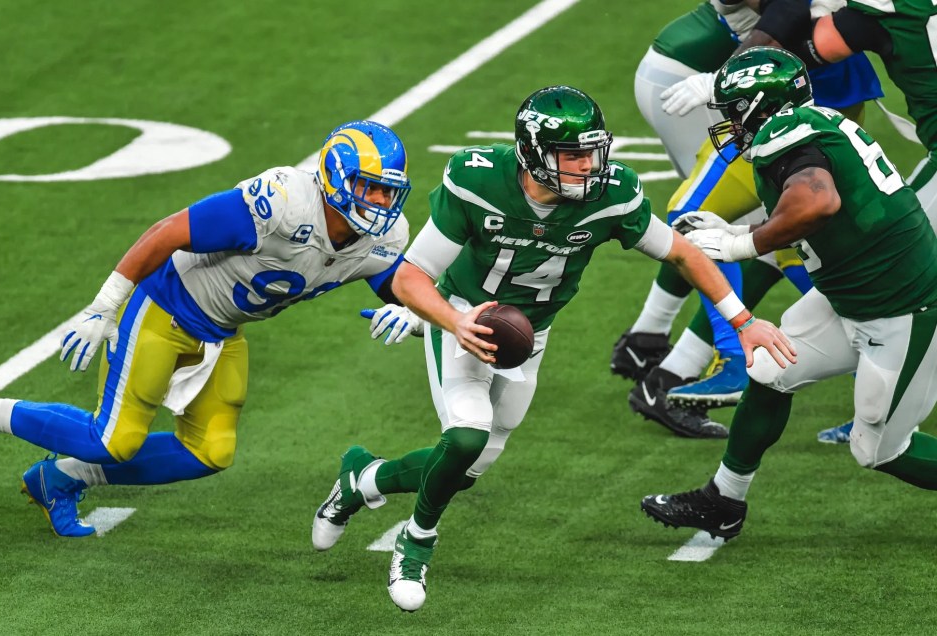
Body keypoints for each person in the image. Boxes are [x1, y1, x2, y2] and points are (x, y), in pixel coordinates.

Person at [311, 86, 796, 612]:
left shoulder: (611, 194)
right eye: (572, 155)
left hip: (529, 337)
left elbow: (682, 253)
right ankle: (416, 543)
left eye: (592, 151)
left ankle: (362, 479)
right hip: (466, 318)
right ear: (532, 153)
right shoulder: (478, 179)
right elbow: (411, 274)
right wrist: (451, 321)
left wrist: (743, 321)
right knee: (467, 435)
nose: (589, 165)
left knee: (465, 469)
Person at [0, 120, 422, 537]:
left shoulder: (381, 238)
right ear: (335, 178)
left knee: (211, 450)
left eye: (389, 191)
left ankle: (62, 477)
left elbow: (403, 290)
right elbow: (170, 231)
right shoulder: (286, 202)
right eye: (371, 188)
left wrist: (424, 318)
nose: (381, 202)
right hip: (167, 307)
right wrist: (104, 307)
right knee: (113, 441)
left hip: (222, 330)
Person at [641, 48, 937, 540]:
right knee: (770, 368)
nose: (730, 124)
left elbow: (817, 203)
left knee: (879, 448)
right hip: (853, 293)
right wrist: (743, 229)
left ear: (761, 107)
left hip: (904, 309)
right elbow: (821, 213)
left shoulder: (786, 133)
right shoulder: (810, 125)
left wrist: (740, 244)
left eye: (735, 111)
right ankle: (723, 501)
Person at [656, 0, 937, 443]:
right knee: (803, 242)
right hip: (849, 110)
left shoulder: (879, 12)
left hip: (828, 113)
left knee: (894, 256)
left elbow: (797, 29)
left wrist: (740, 243)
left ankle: (892, 403)